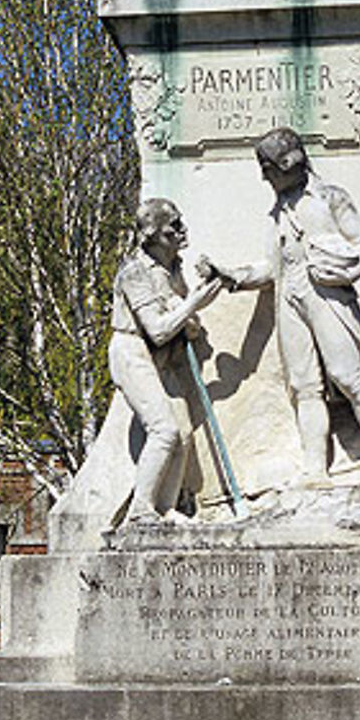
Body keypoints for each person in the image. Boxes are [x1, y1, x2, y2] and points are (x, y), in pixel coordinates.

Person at [200, 128, 360, 483]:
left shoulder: (330, 197)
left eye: (267, 167)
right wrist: (230, 275)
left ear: (289, 163)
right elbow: (272, 267)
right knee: (304, 385)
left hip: (326, 295)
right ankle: (315, 469)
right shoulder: (277, 212)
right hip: (290, 297)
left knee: (349, 377)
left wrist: (347, 271)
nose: (263, 175)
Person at [110, 198, 222, 522]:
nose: (181, 231)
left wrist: (191, 308)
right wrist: (194, 304)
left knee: (183, 432)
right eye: (173, 226)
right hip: (133, 352)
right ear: (153, 235)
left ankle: (164, 507)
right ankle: (139, 510)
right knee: (164, 430)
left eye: (180, 222)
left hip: (162, 358)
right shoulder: (134, 273)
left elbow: (184, 323)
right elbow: (158, 330)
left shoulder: (173, 267)